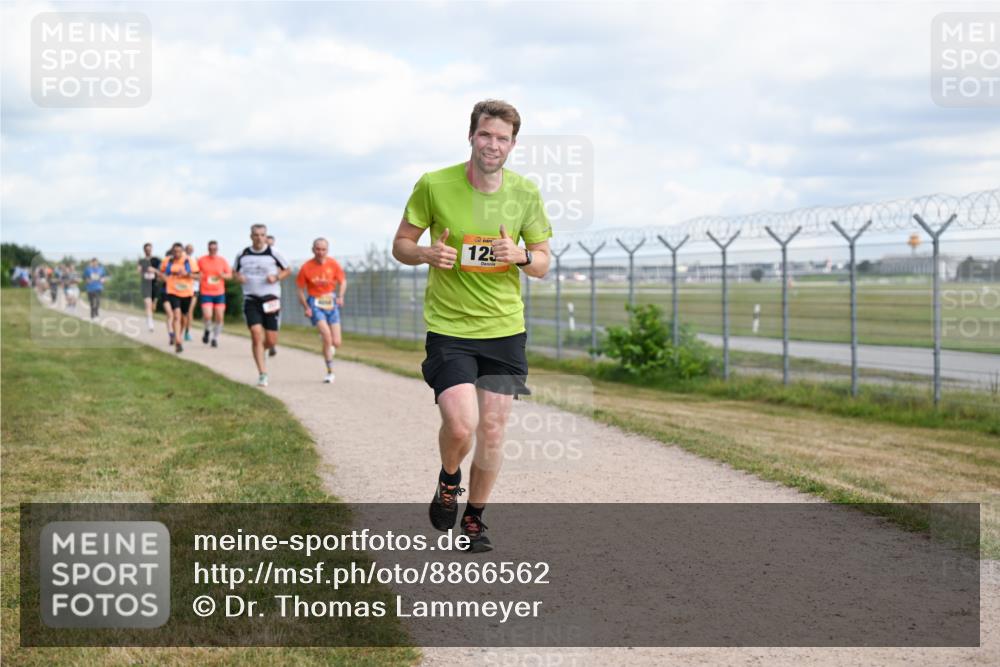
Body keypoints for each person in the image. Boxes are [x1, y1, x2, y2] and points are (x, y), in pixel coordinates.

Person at [391, 99, 552, 552]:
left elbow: (541, 262)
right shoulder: (434, 184)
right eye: (486, 135)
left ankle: (475, 520)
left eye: (503, 138)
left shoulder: (525, 193)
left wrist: (520, 256)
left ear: (513, 144)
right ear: (471, 136)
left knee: (495, 430)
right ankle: (448, 480)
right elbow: (401, 244)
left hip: (503, 330)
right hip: (450, 329)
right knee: (462, 427)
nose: (493, 145)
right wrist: (425, 253)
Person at [234, 224, 290, 387]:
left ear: (266, 237)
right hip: (251, 298)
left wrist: (276, 277)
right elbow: (234, 272)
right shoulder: (242, 254)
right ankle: (262, 373)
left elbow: (287, 270)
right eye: (256, 235)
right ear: (251, 236)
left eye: (262, 235)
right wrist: (239, 277)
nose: (259, 238)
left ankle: (263, 350)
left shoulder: (274, 253)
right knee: (256, 333)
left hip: (271, 298)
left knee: (271, 341)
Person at [296, 238, 347, 383]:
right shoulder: (306, 267)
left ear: (327, 250)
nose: (320, 252)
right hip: (315, 303)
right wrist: (306, 307)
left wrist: (341, 296)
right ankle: (330, 371)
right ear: (313, 250)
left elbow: (343, 281)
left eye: (323, 249)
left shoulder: (333, 264)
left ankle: (327, 340)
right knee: (327, 336)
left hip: (331, 303)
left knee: (336, 342)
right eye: (318, 249)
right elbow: (300, 290)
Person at [157, 243, 198, 353]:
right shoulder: (167, 261)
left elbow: (198, 276)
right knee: (176, 315)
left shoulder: (188, 261)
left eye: (179, 251)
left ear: (182, 251)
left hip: (187, 292)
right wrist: (163, 277)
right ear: (172, 251)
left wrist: (187, 274)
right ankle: (178, 342)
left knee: (184, 318)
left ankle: (178, 335)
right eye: (175, 251)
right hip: (172, 291)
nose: (177, 254)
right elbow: (160, 275)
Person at [197, 240, 232, 348]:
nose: (212, 250)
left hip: (219, 293)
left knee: (220, 317)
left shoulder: (222, 261)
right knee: (208, 315)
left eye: (214, 248)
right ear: (208, 249)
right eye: (211, 248)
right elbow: (195, 273)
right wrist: (199, 275)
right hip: (206, 292)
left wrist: (223, 276)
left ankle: (215, 338)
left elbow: (229, 275)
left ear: (217, 249)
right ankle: (207, 329)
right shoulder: (202, 260)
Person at [138, 243, 161, 331]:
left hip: (154, 284)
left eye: (149, 249)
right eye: (146, 249)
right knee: (147, 303)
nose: (148, 251)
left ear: (152, 249)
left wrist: (154, 270)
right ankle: (150, 323)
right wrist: (141, 271)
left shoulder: (156, 260)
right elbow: (139, 271)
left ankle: (149, 317)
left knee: (152, 306)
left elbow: (161, 272)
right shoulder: (142, 260)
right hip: (145, 284)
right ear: (144, 250)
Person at [184, 243, 199, 341]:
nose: (190, 250)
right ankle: (182, 329)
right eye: (188, 248)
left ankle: (187, 332)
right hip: (183, 289)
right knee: (183, 312)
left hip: (194, 289)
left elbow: (199, 276)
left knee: (190, 311)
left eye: (191, 249)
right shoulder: (182, 260)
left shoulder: (196, 261)